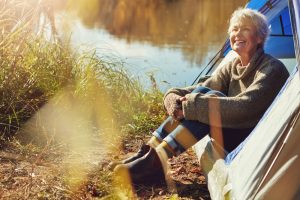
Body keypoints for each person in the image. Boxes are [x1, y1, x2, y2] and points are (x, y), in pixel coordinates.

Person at [112, 8, 289, 185]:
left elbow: (246, 107)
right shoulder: (234, 65)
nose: (237, 34)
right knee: (205, 96)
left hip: (253, 139)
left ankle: (156, 162)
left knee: (208, 101)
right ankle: (148, 153)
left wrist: (193, 106)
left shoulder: (272, 69)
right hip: (234, 130)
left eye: (245, 29)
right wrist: (174, 95)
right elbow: (203, 88)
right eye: (234, 29)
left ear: (259, 38)